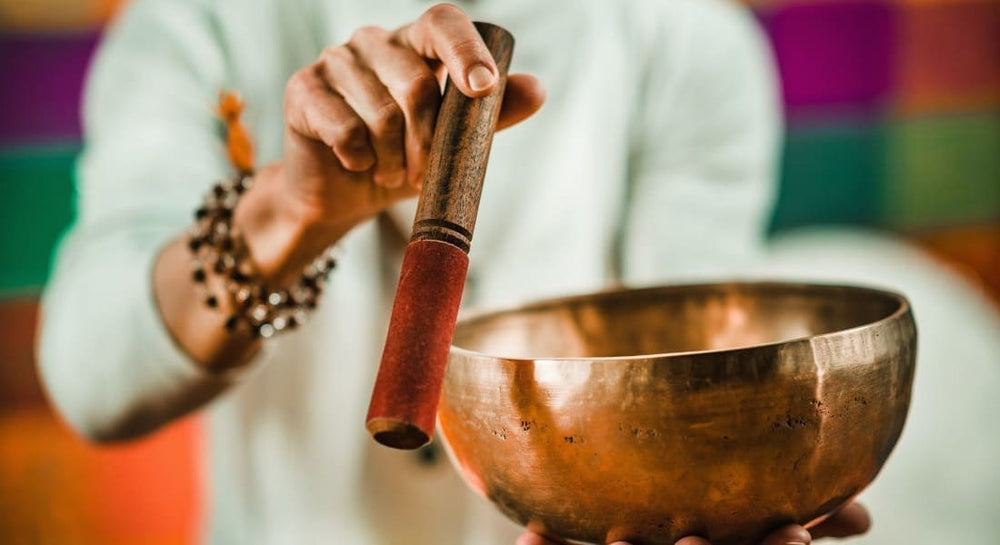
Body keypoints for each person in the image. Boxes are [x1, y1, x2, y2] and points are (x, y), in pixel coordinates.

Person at [38, 1, 871, 543]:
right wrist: (289, 211)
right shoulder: (203, 21)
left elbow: (685, 384)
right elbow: (93, 378)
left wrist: (723, 489)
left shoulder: (687, 43)